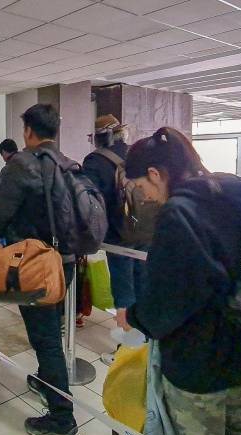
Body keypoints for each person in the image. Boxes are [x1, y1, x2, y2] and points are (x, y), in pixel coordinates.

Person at [123, 127, 241, 435]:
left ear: (155, 174)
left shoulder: (178, 214)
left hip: (198, 362)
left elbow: (166, 305)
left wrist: (132, 316)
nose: (144, 195)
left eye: (141, 186)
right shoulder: (231, 197)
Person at [0, 104, 79, 435]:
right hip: (67, 262)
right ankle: (45, 379)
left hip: (35, 265)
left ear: (28, 131)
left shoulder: (21, 164)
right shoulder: (68, 163)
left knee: (45, 339)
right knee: (50, 328)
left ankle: (62, 418)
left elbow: (0, 214)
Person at [83, 114, 147, 364]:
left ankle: (127, 353)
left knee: (123, 293)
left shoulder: (95, 161)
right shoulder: (137, 154)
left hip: (118, 236)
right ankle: (146, 345)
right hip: (145, 232)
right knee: (142, 287)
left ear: (99, 138)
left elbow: (88, 203)